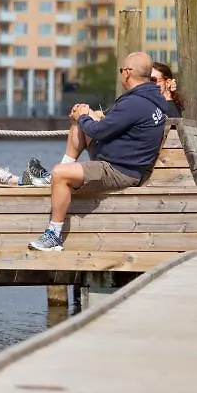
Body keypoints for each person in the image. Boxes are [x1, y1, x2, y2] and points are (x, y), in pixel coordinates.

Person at [21, 51, 169, 251]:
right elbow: (112, 125)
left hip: (120, 170)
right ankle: (57, 179)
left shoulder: (134, 103)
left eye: (121, 70)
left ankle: (53, 235)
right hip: (123, 161)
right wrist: (86, 116)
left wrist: (84, 117)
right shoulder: (149, 98)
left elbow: (98, 130)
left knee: (60, 172)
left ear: (127, 72)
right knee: (81, 119)